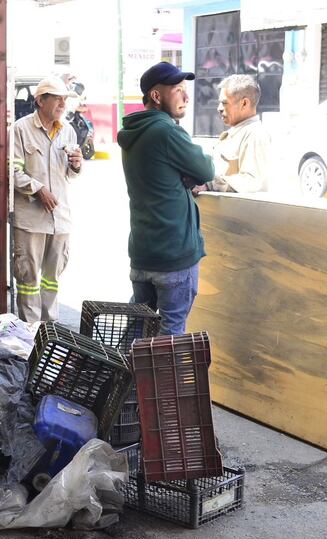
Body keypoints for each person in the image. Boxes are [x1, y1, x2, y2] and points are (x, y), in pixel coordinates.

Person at [117, 62, 214, 335]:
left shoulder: (133, 132)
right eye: (178, 89)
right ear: (156, 96)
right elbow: (206, 170)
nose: (186, 96)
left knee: (137, 331)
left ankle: (125, 366)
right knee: (171, 333)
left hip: (143, 253)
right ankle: (153, 368)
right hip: (173, 255)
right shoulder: (166, 131)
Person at [10, 76, 83, 323]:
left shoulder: (68, 131)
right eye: (57, 99)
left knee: (52, 280)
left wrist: (77, 165)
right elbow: (12, 171)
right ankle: (30, 334)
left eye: (65, 99)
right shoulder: (21, 129)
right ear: (41, 101)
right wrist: (38, 189)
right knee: (28, 279)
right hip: (31, 220)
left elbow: (70, 174)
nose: (62, 104)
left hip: (59, 219)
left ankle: (49, 332)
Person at [204, 73, 270, 193]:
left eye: (224, 103)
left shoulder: (255, 134)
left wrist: (210, 184)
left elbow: (251, 181)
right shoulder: (237, 132)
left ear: (244, 103)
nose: (219, 108)